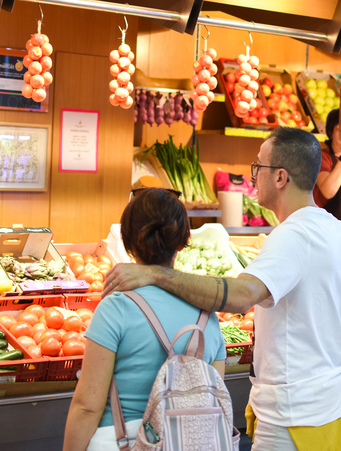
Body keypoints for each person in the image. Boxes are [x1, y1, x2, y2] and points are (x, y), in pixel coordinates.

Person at [104, 127, 341, 451]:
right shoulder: (339, 232)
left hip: (296, 419)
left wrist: (157, 276)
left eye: (257, 167)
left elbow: (241, 296)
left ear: (280, 177)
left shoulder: (293, 236)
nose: (253, 175)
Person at [63, 188, 227, 451]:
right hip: (187, 441)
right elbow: (213, 397)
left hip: (120, 441)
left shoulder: (115, 308)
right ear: (183, 241)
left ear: (127, 243)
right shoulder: (207, 316)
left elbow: (86, 407)